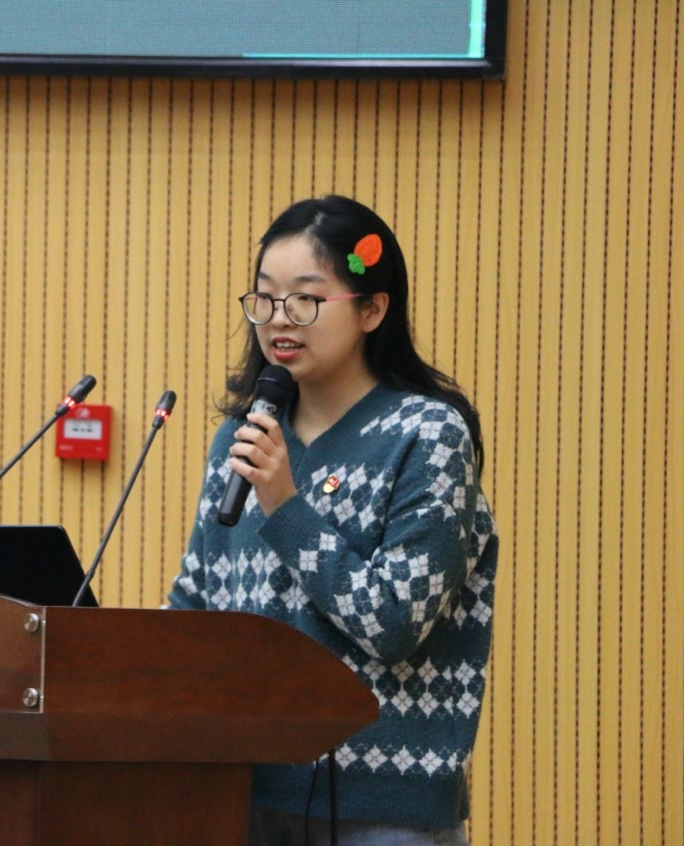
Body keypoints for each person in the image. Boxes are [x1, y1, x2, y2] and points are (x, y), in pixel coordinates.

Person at [167, 195, 498, 845]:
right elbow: (196, 605)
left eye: (306, 299)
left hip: (382, 805)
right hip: (241, 788)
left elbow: (395, 622)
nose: (278, 319)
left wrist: (285, 505)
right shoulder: (242, 437)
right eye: (265, 298)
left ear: (372, 309)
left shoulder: (426, 435)